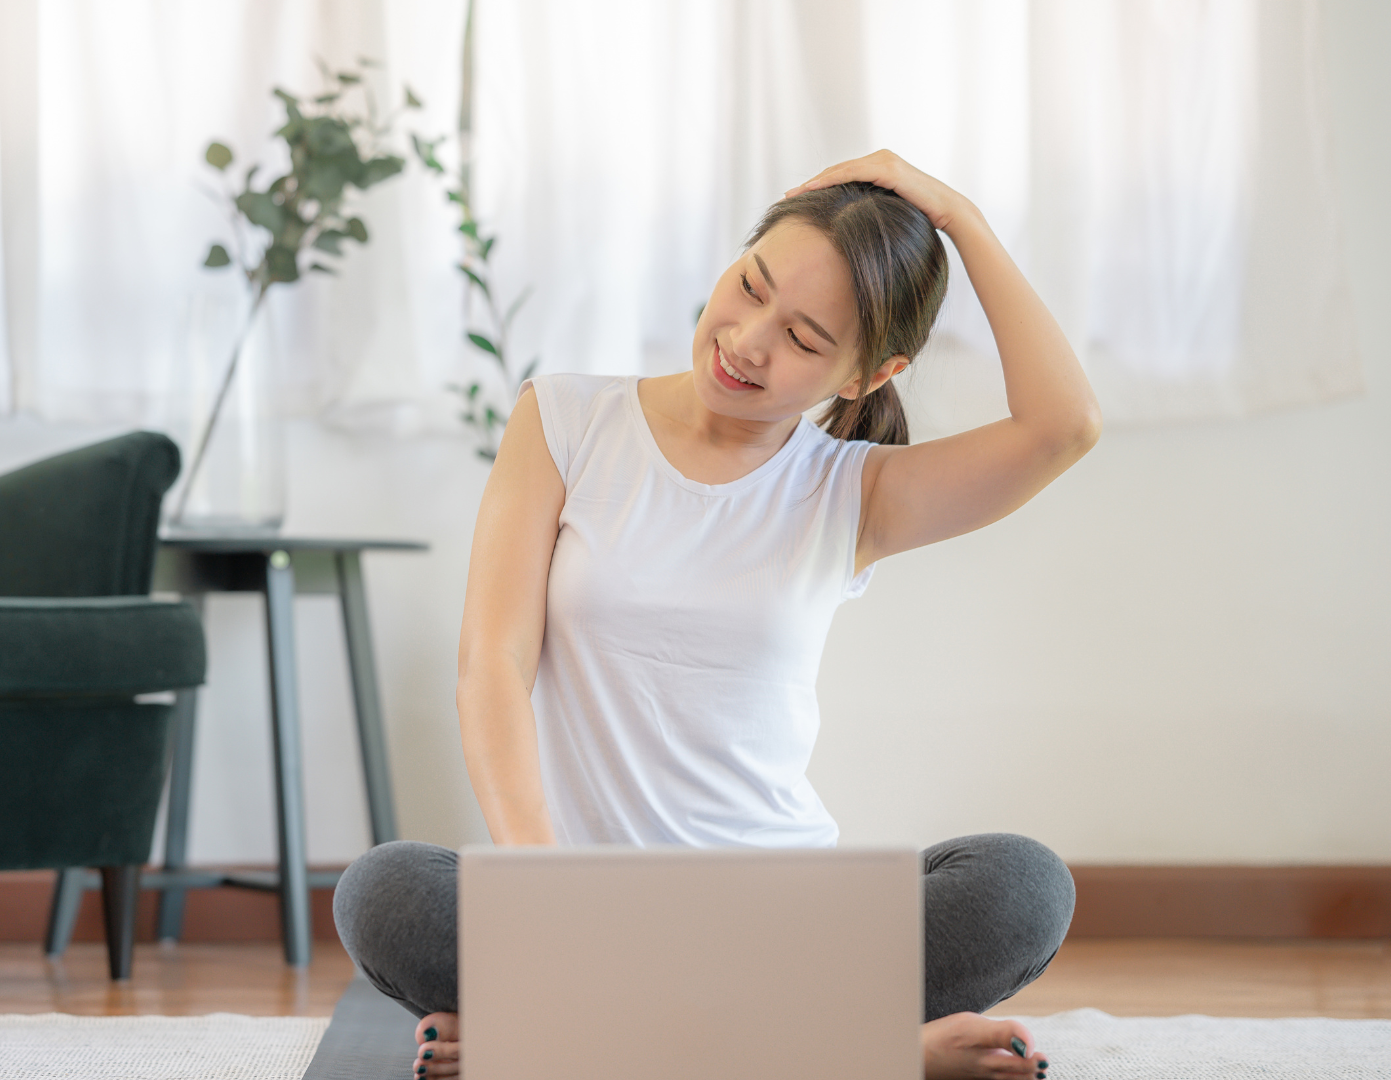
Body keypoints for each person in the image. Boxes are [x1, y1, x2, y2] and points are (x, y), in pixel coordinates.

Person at [333, 150, 1100, 1080]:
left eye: (806, 338)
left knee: (1022, 882)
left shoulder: (854, 492)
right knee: (386, 890)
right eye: (750, 286)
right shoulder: (565, 419)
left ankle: (583, 1040)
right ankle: (840, 1050)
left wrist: (960, 216)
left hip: (787, 921)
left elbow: (1063, 426)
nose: (746, 340)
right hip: (584, 908)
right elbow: (491, 662)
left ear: (868, 374)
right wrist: (543, 885)